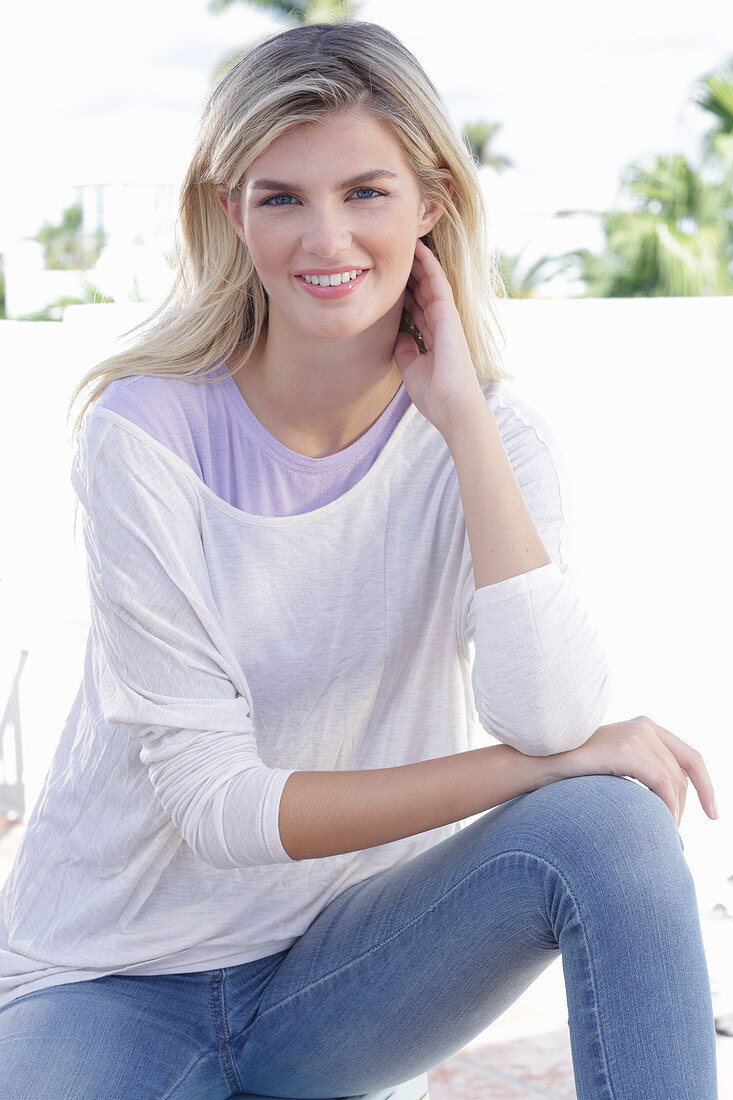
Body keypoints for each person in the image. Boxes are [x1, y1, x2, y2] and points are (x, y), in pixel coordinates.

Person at [0, 21, 720, 1100]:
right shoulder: (143, 432)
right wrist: (541, 767)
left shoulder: (497, 434)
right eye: (280, 195)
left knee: (609, 822)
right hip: (110, 978)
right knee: (584, 778)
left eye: (365, 193)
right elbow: (218, 806)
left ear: (431, 201)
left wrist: (463, 420)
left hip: (340, 978)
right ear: (230, 211)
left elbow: (554, 712)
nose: (323, 237)